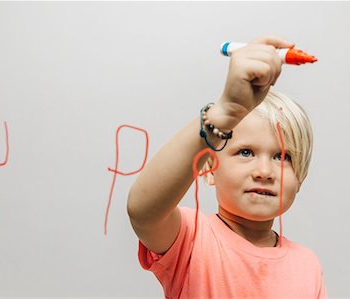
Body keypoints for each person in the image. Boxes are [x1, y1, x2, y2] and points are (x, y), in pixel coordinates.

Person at [127, 34, 327, 298]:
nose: (264, 172)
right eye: (246, 152)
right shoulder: (192, 238)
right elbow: (143, 211)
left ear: (300, 177)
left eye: (283, 157)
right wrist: (224, 114)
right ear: (208, 168)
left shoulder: (307, 264)